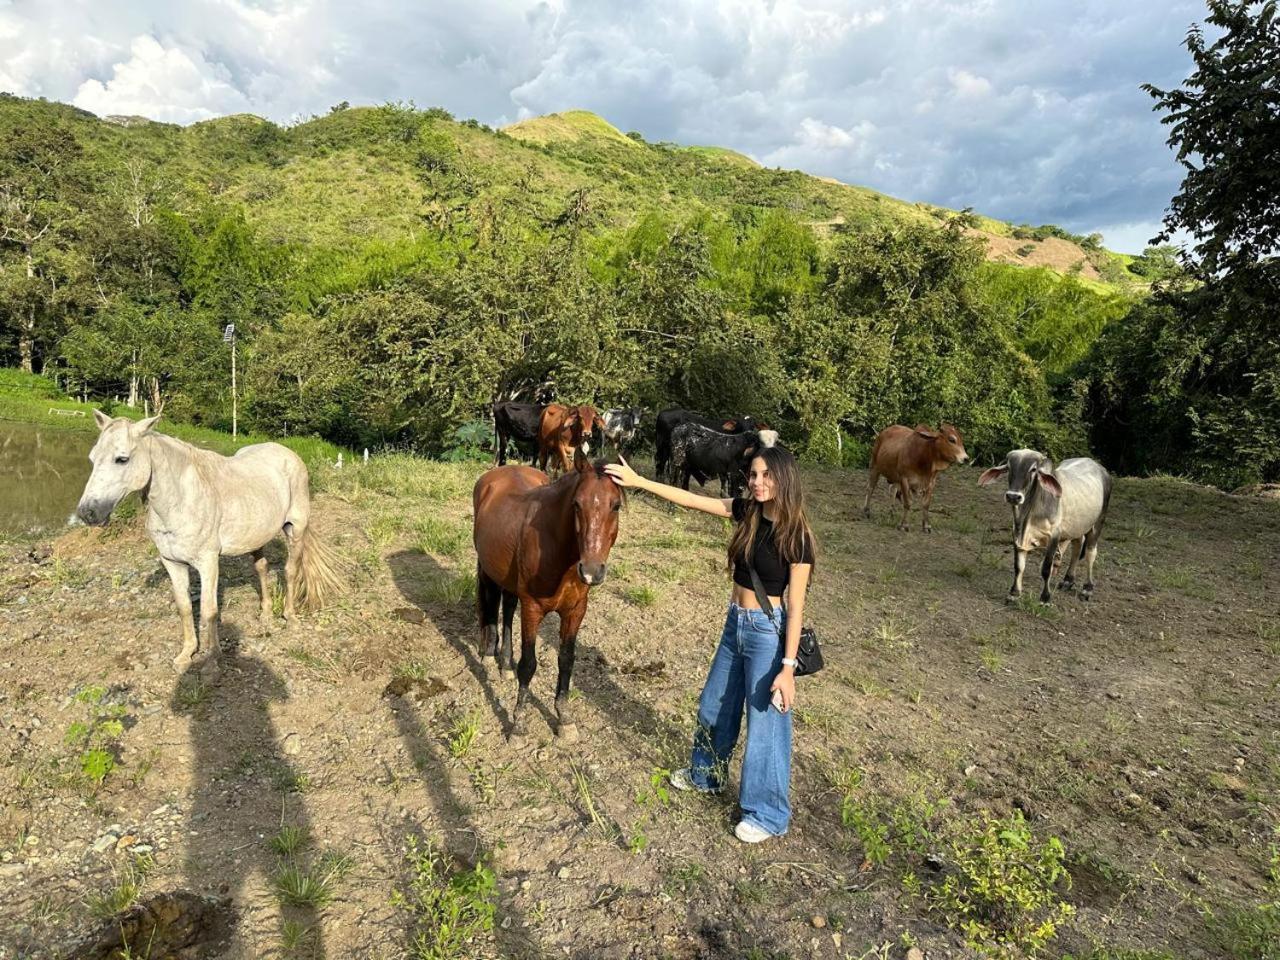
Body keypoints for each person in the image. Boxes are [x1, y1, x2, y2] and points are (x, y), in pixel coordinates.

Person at [605, 445, 815, 843]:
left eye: (766, 476)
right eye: (753, 475)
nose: (757, 483)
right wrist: (640, 482)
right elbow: (692, 500)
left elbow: (797, 609)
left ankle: (767, 814)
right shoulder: (748, 513)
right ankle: (706, 775)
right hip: (735, 624)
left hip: (767, 636)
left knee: (766, 725)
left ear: (784, 478)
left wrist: (787, 669)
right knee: (714, 703)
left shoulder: (797, 536)